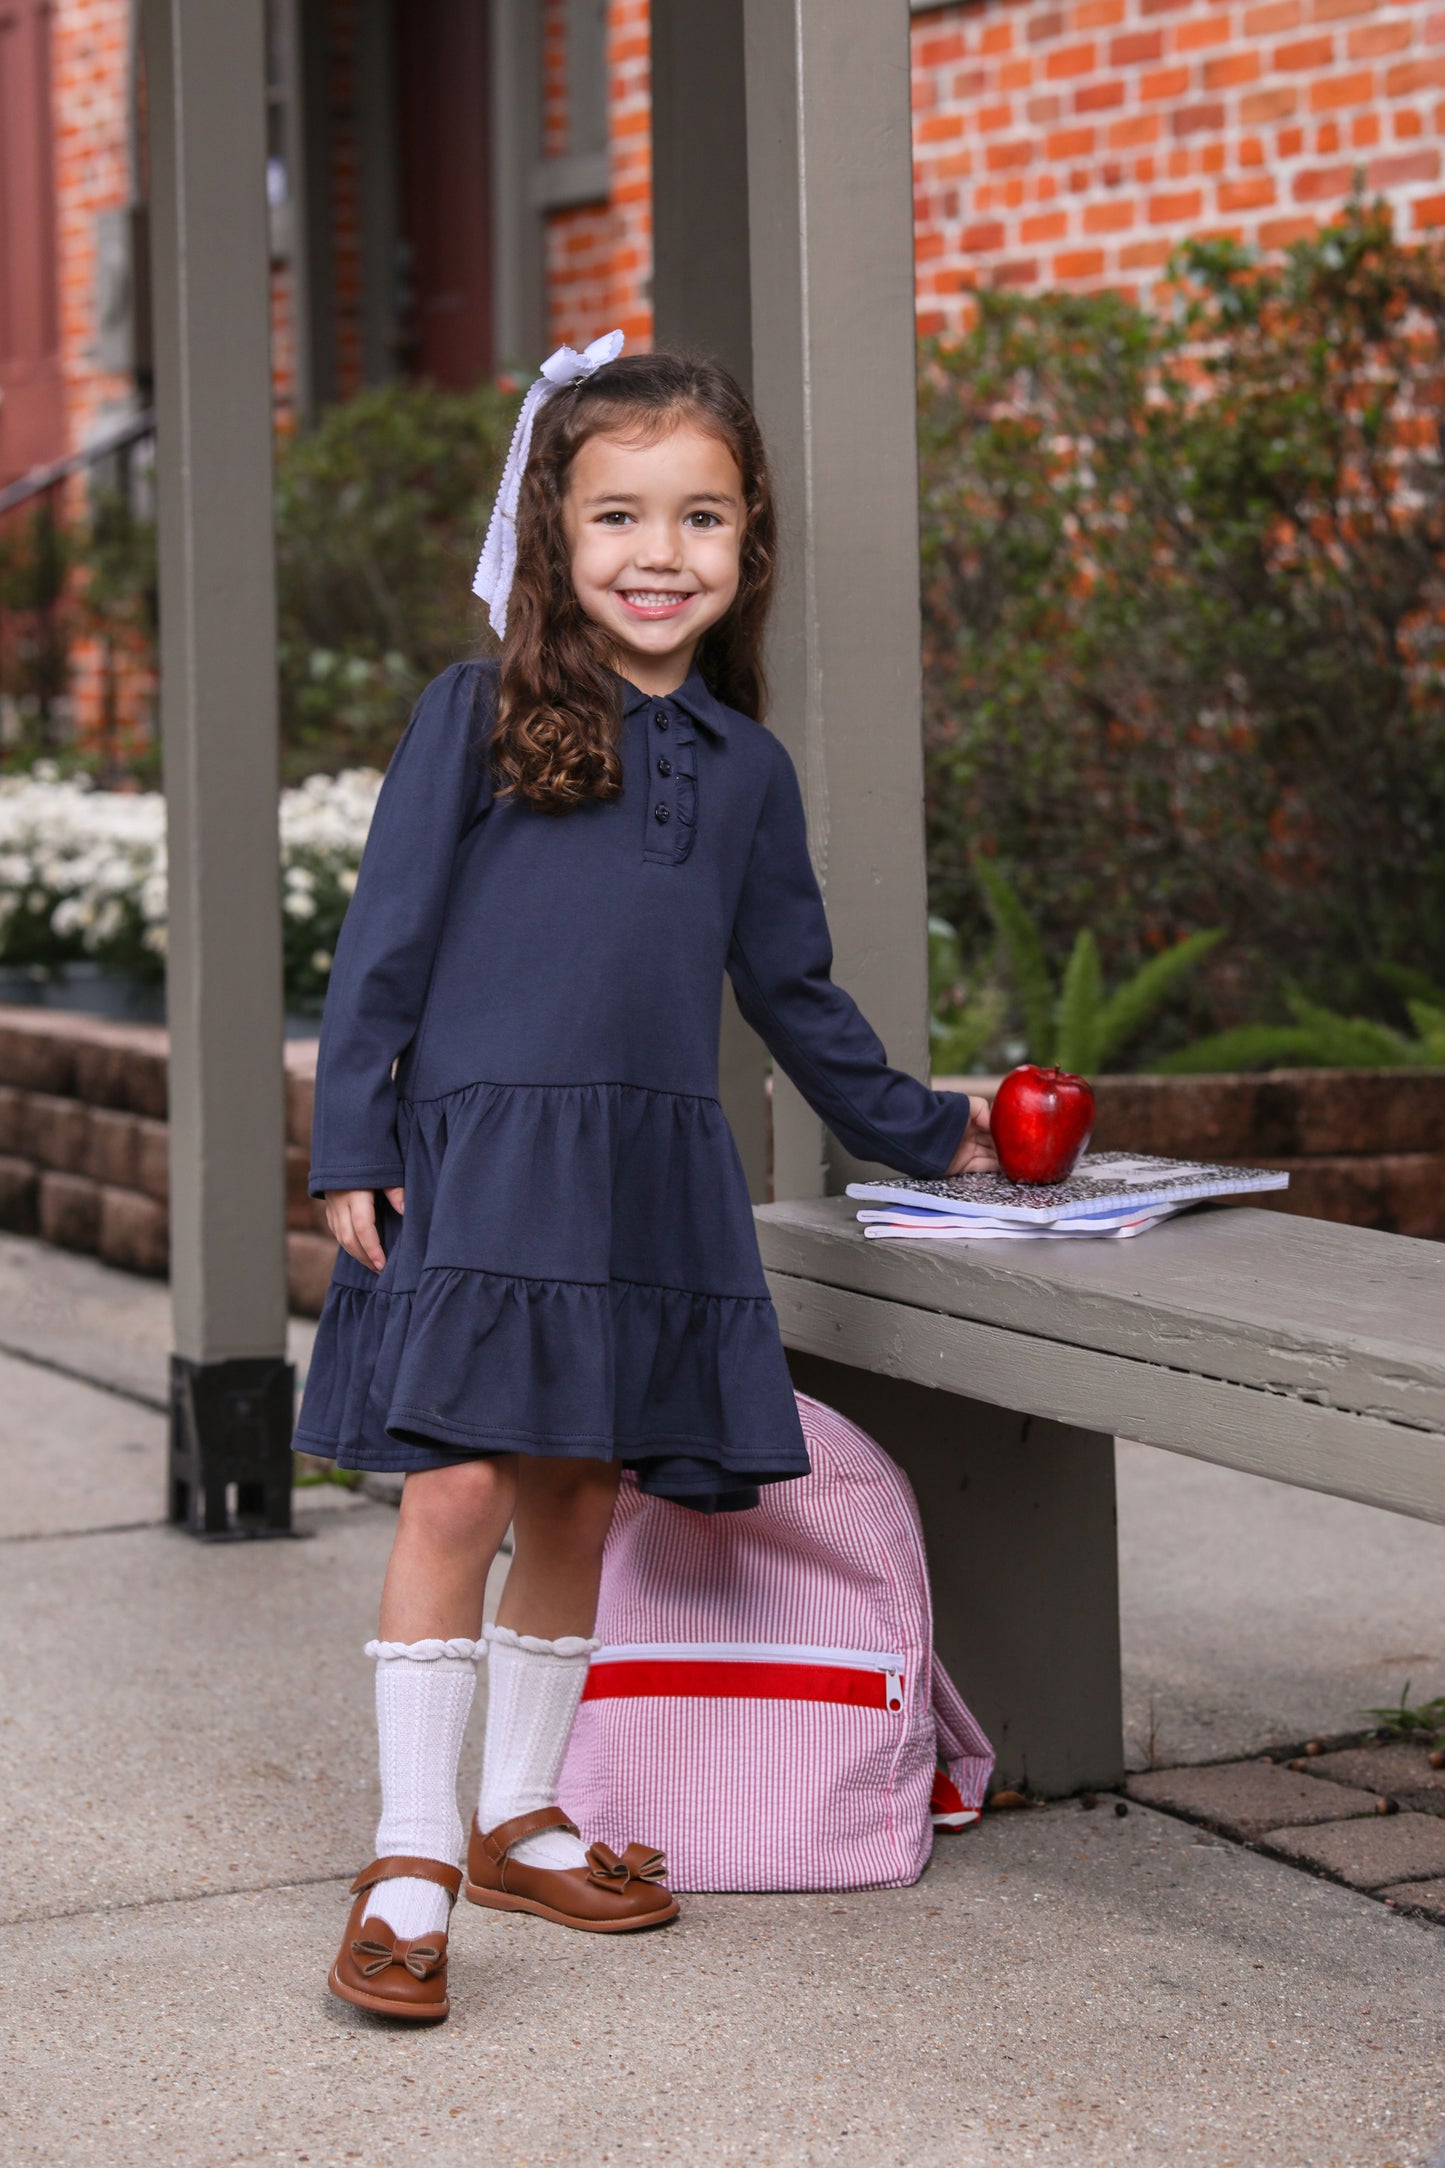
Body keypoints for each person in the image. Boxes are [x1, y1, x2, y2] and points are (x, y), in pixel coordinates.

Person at [299, 335, 998, 2021]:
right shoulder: (474, 715)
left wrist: (929, 1130)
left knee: (580, 1499)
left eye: (699, 517)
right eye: (618, 515)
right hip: (483, 1160)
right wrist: (351, 1141)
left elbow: (796, 997)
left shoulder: (745, 772)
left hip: (646, 1179)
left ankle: (523, 1816)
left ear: (746, 544)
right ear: (554, 533)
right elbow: (377, 948)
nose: (658, 553)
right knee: (457, 1489)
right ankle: (410, 1851)